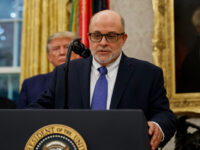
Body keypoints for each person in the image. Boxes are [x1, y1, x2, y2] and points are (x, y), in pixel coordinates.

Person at [30, 10, 176, 149]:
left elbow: (164, 114)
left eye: (111, 36)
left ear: (123, 39)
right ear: (89, 38)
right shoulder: (66, 72)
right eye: (97, 35)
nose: (103, 42)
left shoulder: (147, 74)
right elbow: (41, 108)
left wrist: (158, 126)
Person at [17, 31, 78, 108]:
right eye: (56, 49)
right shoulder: (30, 84)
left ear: (77, 54)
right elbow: (20, 117)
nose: (62, 52)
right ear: (49, 57)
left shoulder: (88, 80)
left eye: (67, 47)